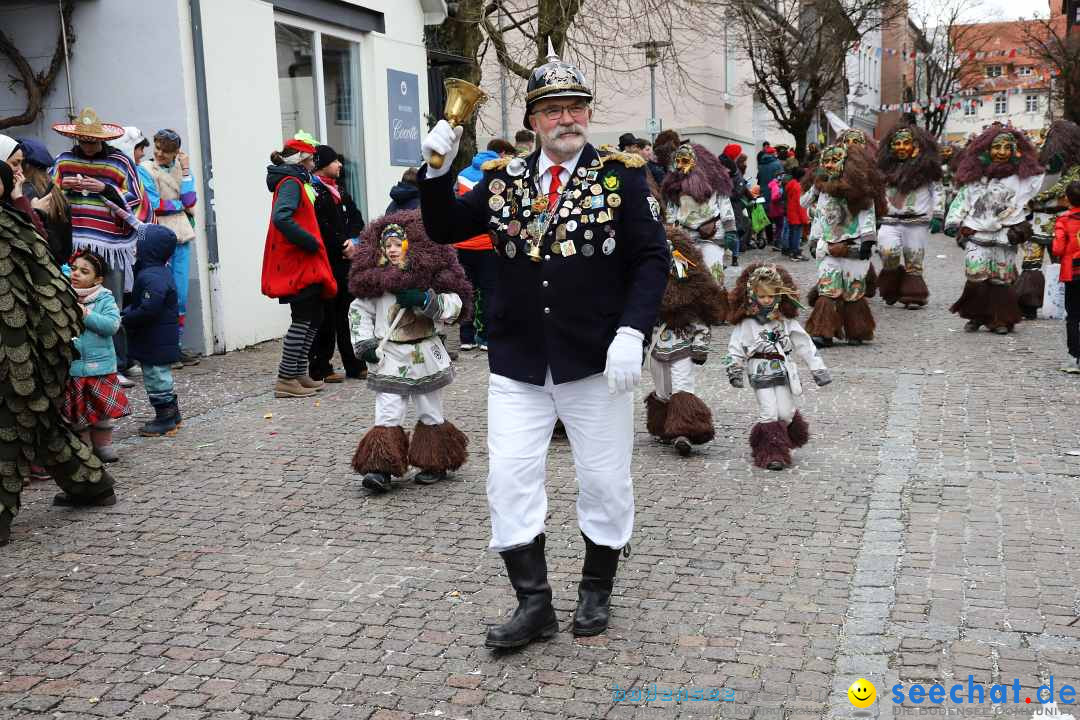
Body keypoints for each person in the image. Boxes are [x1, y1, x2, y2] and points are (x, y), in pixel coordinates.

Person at [418, 44, 669, 648]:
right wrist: (436, 172)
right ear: (532, 121)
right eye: (553, 109)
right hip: (519, 360)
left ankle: (596, 589)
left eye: (576, 107)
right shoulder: (503, 181)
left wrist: (632, 332)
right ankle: (534, 605)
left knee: (605, 480)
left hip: (592, 360)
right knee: (508, 478)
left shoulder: (622, 178)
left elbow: (652, 259)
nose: (567, 119)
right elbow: (445, 227)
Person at [0, 160, 117, 545]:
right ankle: (94, 485)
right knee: (42, 426)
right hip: (40, 349)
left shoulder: (13, 227)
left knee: (13, 431)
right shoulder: (20, 224)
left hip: (21, 352)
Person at [347, 211, 472, 491]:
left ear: (411, 245)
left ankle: (434, 461)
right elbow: (358, 312)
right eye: (387, 245)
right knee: (388, 410)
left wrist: (425, 299)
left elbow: (455, 305)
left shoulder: (431, 277)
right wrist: (365, 344)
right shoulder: (374, 283)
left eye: (397, 243)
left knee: (430, 408)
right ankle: (381, 468)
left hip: (425, 353)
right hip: (389, 355)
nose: (392, 250)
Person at [52, 108, 150, 387]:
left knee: (112, 304)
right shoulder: (64, 160)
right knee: (77, 302)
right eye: (82, 140)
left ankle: (120, 363)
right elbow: (50, 194)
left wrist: (104, 189)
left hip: (111, 245)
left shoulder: (120, 161)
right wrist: (65, 189)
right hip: (76, 243)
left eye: (91, 140)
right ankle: (82, 363)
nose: (87, 145)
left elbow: (136, 198)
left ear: (102, 139)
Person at [724, 263, 831, 470]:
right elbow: (735, 347)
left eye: (771, 296)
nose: (766, 300)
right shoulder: (746, 323)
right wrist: (734, 368)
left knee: (785, 413)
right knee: (769, 412)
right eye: (762, 296)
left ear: (778, 296)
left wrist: (817, 368)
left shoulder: (785, 321)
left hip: (783, 371)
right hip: (759, 370)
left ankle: (763, 440)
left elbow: (804, 343)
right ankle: (772, 454)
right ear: (752, 295)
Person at [946, 126, 1045, 335]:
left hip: (1006, 235)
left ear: (1015, 150)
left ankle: (1001, 319)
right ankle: (976, 315)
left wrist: (1052, 170)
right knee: (976, 276)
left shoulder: (1023, 177)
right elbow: (962, 199)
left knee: (1001, 278)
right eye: (996, 147)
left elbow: (1041, 185)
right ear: (986, 150)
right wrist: (952, 221)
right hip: (976, 232)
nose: (1001, 152)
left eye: (1006, 147)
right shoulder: (976, 177)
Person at [261, 137, 338, 398]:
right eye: (312, 158)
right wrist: (310, 241)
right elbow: (281, 217)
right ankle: (286, 378)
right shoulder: (291, 182)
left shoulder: (295, 180)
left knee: (313, 317)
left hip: (304, 261)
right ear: (302, 160)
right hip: (298, 262)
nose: (315, 163)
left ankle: (299, 373)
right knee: (303, 318)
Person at [645, 223, 727, 456]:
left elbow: (701, 322)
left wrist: (700, 347)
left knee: (682, 386)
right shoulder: (651, 291)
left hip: (682, 345)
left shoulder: (691, 292)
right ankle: (663, 424)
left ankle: (685, 430)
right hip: (657, 347)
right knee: (662, 390)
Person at [104, 199, 184, 436]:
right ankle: (172, 414)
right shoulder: (152, 272)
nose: (135, 248)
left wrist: (127, 317)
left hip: (155, 339)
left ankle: (166, 418)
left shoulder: (152, 276)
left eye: (139, 244)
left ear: (150, 250)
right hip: (156, 339)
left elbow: (149, 307)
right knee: (158, 377)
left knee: (157, 378)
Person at [802, 144, 880, 347]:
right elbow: (819, 217)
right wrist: (814, 239)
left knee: (853, 292)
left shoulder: (862, 192)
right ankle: (823, 332)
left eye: (834, 160)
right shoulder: (824, 192)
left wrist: (867, 240)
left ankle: (857, 330)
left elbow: (867, 215)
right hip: (829, 248)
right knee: (828, 290)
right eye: (825, 160)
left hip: (854, 248)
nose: (828, 164)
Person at [138, 129, 200, 366]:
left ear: (176, 152)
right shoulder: (145, 169)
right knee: (160, 293)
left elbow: (190, 200)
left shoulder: (182, 169)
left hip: (181, 235)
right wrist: (181, 205)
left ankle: (176, 346)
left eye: (165, 150)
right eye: (157, 147)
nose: (159, 153)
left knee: (180, 294)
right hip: (157, 236)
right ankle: (160, 349)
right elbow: (154, 204)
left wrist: (185, 171)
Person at [62, 250, 129, 462]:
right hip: (73, 367)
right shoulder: (63, 295)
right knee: (77, 414)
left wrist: (85, 314)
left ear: (98, 279)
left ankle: (103, 445)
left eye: (84, 271)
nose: (76, 274)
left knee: (102, 412)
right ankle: (84, 449)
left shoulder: (103, 299)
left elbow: (111, 325)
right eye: (74, 269)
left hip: (100, 368)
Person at [307, 144, 365, 382]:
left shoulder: (340, 189)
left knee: (348, 313)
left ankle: (354, 363)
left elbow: (356, 218)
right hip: (327, 261)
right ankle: (321, 365)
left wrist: (354, 241)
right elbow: (320, 226)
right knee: (326, 316)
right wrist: (342, 245)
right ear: (322, 166)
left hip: (346, 262)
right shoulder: (314, 191)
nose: (340, 165)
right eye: (335, 161)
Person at [875, 124, 944, 309]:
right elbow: (876, 192)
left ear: (916, 146)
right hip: (890, 220)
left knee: (914, 259)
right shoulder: (883, 169)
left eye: (906, 143)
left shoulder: (928, 169)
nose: (901, 147)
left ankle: (914, 294)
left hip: (917, 222)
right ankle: (892, 286)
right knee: (888, 253)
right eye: (897, 143)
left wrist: (938, 214)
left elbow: (937, 191)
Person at [454, 139, 513, 351]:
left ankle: (466, 338)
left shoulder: (462, 174)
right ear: (502, 154)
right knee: (489, 292)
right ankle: (486, 337)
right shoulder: (501, 174)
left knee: (466, 290)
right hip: (488, 244)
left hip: (463, 244)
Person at [661, 141, 736, 285]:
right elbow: (671, 212)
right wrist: (669, 234)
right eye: (678, 161)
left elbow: (725, 205)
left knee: (714, 277)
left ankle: (717, 304)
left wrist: (730, 230)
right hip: (683, 239)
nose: (681, 164)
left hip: (712, 236)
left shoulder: (715, 181)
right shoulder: (673, 186)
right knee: (683, 280)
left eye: (685, 160)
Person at [1028, 121, 1080, 321]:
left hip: (1065, 222)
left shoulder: (1075, 169)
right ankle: (1029, 302)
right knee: (1031, 262)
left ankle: (1063, 303)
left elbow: (1064, 189)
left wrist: (1037, 196)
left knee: (1062, 264)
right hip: (1040, 220)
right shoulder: (1044, 165)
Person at [18, 138, 71, 263]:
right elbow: (66, 249)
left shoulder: (23, 193)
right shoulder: (58, 194)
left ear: (26, 165)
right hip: (56, 268)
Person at [1053, 181, 1080, 372]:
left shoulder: (1063, 220)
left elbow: (1058, 248)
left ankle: (1074, 359)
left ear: (1068, 199)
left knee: (1073, 316)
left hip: (1073, 273)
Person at [757, 146, 784, 248]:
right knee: (778, 218)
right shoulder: (777, 164)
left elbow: (759, 179)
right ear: (773, 154)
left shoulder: (761, 165)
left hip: (764, 192)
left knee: (767, 216)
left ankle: (769, 239)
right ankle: (778, 240)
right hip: (774, 193)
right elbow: (781, 178)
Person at [783, 167, 809, 260]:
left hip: (791, 213)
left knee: (792, 234)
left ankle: (791, 252)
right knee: (796, 236)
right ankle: (796, 253)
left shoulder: (791, 184)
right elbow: (800, 204)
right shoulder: (798, 187)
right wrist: (805, 219)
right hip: (797, 215)